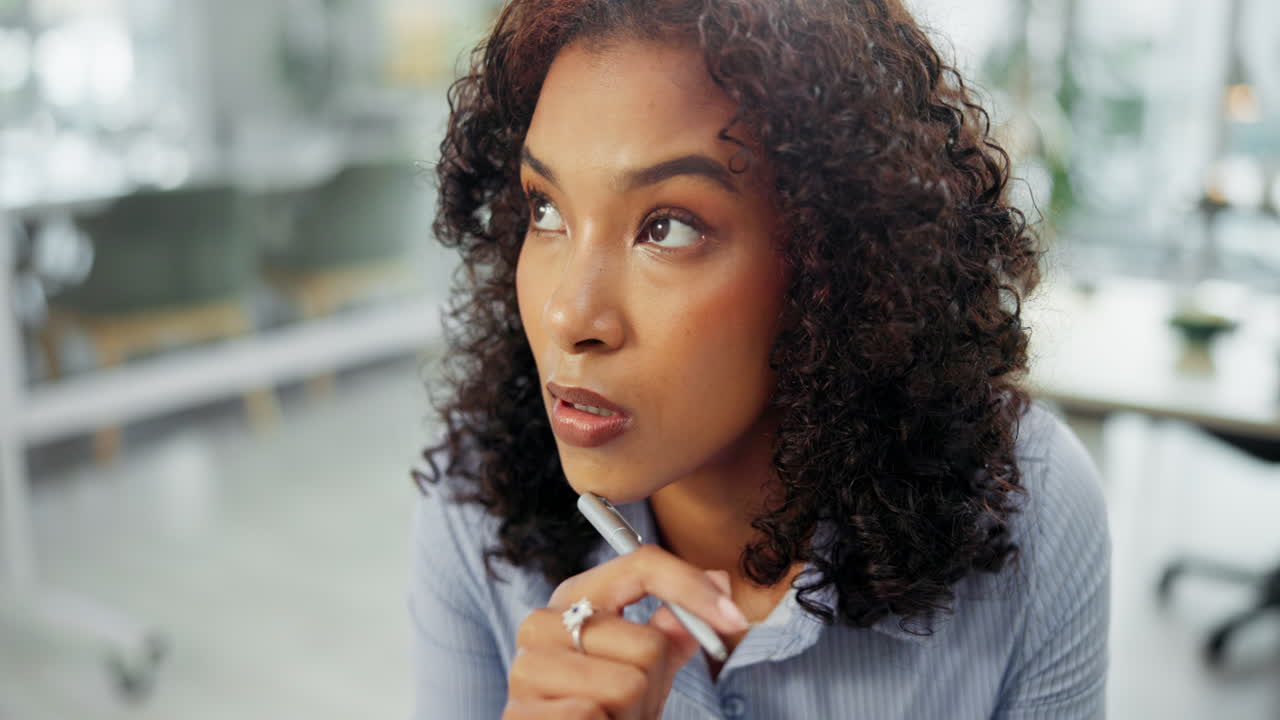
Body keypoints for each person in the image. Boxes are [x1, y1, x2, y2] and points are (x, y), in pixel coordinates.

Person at [409, 0, 1110, 717]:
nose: (568, 315)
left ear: (831, 260)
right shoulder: (473, 505)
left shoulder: (1030, 511)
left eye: (668, 227)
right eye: (546, 210)